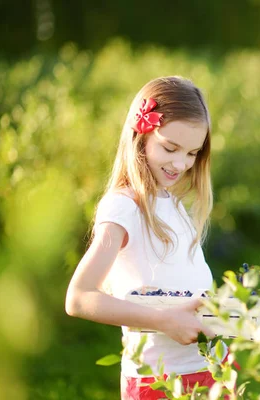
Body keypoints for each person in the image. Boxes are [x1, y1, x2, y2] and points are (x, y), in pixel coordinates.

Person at [65, 76, 222, 399]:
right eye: (170, 148)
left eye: (192, 153)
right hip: (160, 382)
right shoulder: (125, 207)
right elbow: (79, 298)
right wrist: (165, 321)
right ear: (141, 135)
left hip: (209, 371)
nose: (181, 164)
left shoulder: (174, 206)